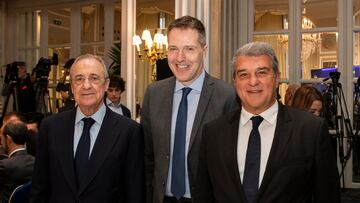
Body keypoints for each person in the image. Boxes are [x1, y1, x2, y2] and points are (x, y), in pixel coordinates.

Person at [194, 42, 340, 203]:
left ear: (277, 77)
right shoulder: (214, 133)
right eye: (243, 75)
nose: (253, 82)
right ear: (235, 81)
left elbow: (327, 196)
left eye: (261, 73)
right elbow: (204, 196)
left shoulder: (311, 130)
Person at [141, 15, 238, 203]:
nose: (179, 58)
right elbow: (147, 157)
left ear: (204, 51)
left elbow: (231, 166)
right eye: (173, 49)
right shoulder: (154, 93)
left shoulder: (226, 96)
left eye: (189, 49)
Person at [30, 54, 144, 203]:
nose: (86, 85)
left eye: (94, 78)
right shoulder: (50, 127)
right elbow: (39, 189)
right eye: (79, 79)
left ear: (106, 84)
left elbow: (134, 193)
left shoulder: (129, 131)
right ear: (72, 86)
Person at [0, 120, 35, 203]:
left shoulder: (4, 166)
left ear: (8, 139)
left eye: (1, 138)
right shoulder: (37, 162)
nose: (1, 143)